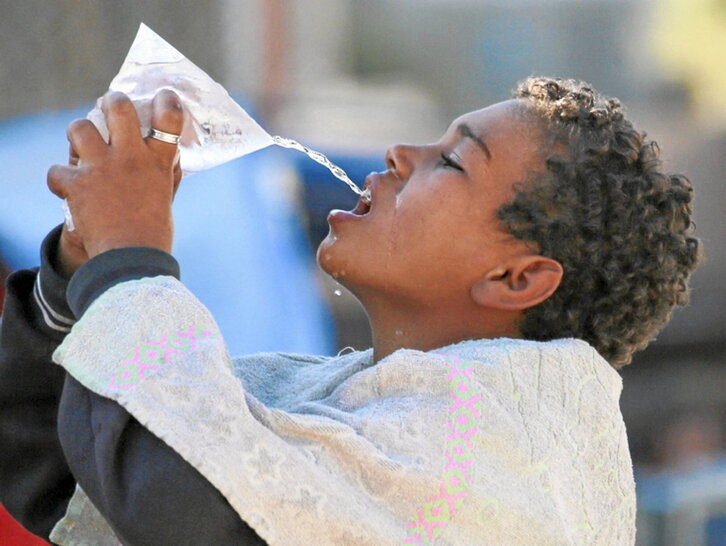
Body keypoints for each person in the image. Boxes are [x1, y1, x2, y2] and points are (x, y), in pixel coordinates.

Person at [0, 77, 700, 545]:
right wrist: (77, 272)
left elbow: (193, 511)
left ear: (516, 277)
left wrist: (130, 260)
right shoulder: (347, 408)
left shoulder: (503, 449)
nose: (398, 153)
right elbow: (67, 480)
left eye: (451, 163)